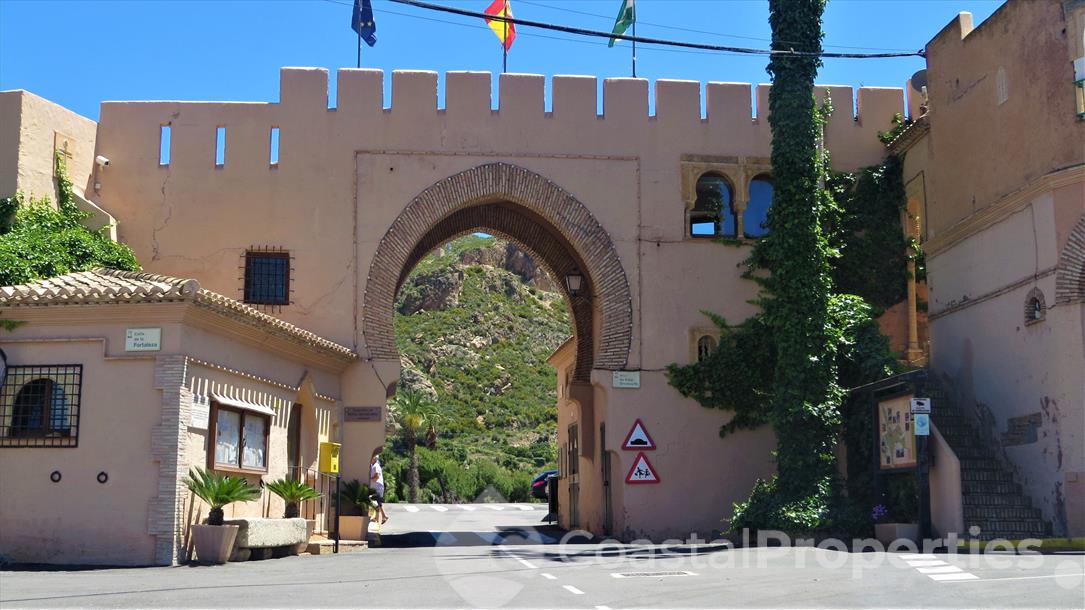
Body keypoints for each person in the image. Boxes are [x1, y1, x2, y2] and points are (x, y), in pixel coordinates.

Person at [370, 447, 388, 524]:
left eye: (372, 458)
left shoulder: (376, 466)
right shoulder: (373, 466)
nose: (370, 459)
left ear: (374, 459)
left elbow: (376, 477)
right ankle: (381, 517)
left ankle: (381, 517)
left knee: (376, 502)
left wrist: (369, 479)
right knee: (377, 502)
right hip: (376, 487)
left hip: (377, 487)